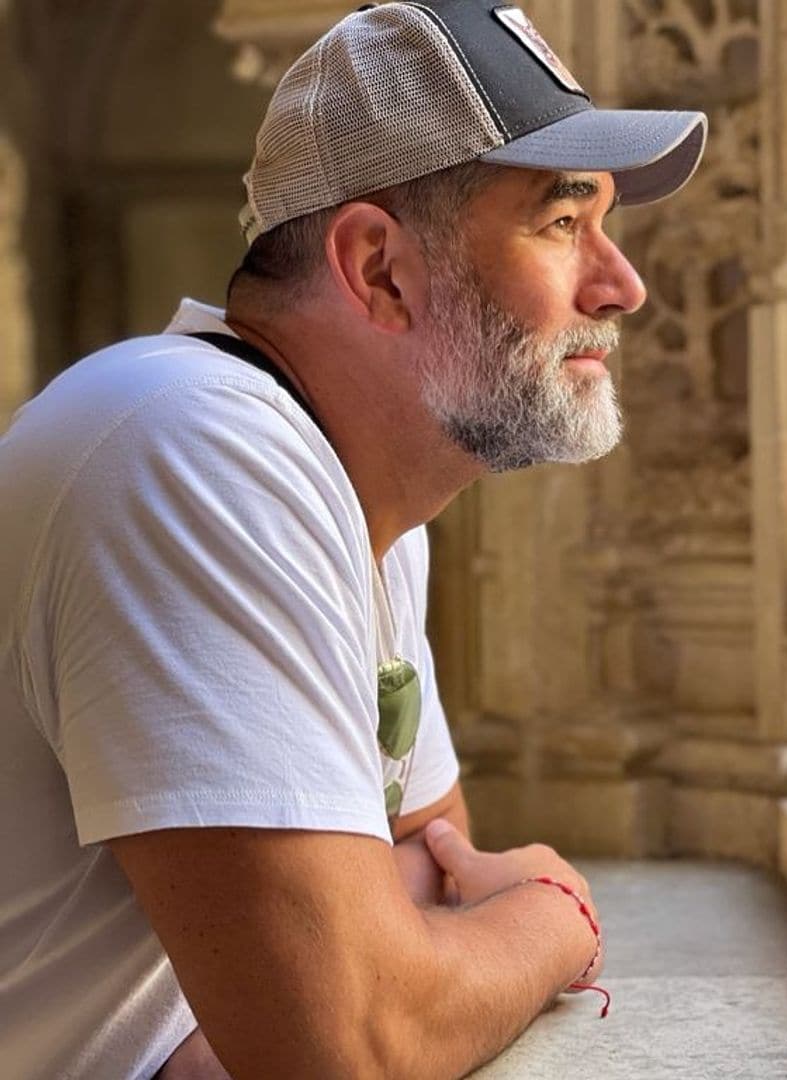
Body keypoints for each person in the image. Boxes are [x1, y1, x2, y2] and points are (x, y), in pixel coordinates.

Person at [0, 2, 706, 1077]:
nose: (621, 285)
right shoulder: (190, 447)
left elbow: (429, 872)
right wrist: (558, 914)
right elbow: (361, 1040)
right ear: (378, 268)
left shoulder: (356, 492)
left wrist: (395, 963)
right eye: (564, 224)